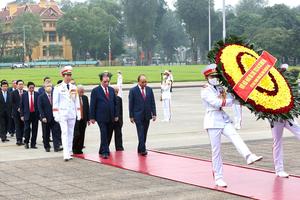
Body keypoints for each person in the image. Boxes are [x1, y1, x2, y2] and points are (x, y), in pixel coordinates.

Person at [201, 64, 263, 187]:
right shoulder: (205, 90)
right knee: (216, 151)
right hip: (212, 120)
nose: (215, 78)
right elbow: (217, 103)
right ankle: (218, 177)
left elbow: (230, 98)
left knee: (235, 135)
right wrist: (231, 101)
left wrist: (238, 95)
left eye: (217, 76)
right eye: (212, 76)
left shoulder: (220, 88)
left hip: (223, 119)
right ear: (207, 77)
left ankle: (248, 155)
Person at [269, 64, 300, 178]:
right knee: (277, 142)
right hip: (276, 118)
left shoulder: (286, 84)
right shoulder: (269, 85)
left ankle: (279, 169)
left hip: (288, 116)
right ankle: (279, 169)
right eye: (282, 71)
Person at [53, 66, 81, 161]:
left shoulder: (74, 87)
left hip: (71, 113)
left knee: (71, 133)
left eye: (70, 75)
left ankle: (69, 151)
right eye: (67, 75)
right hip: (63, 113)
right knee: (64, 133)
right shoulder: (58, 88)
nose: (68, 77)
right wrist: (56, 114)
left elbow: (76, 101)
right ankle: (65, 153)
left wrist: (79, 113)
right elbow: (55, 103)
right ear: (63, 76)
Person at [90, 72, 118, 159]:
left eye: (108, 82)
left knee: (109, 134)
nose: (106, 83)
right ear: (101, 81)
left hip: (111, 116)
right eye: (105, 82)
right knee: (104, 133)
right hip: (101, 117)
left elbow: (115, 103)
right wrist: (92, 117)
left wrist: (116, 115)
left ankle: (102, 149)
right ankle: (105, 152)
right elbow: (92, 104)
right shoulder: (95, 91)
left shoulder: (111, 90)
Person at [129, 74, 156, 156]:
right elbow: (131, 104)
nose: (145, 84)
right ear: (139, 82)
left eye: (146, 82)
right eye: (143, 82)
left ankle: (140, 148)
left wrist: (154, 113)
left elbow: (152, 102)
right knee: (140, 133)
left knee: (144, 133)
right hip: (138, 116)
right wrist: (131, 116)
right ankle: (143, 150)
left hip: (147, 115)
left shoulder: (149, 90)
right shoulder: (133, 91)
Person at [38, 82, 62, 152]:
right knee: (46, 133)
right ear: (44, 88)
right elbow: (40, 108)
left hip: (55, 117)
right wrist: (43, 117)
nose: (49, 87)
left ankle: (56, 147)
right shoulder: (41, 97)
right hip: (46, 118)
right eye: (47, 86)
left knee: (56, 132)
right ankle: (47, 146)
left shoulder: (55, 95)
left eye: (50, 86)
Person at [20, 82, 39, 149]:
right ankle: (26, 142)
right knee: (27, 129)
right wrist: (22, 115)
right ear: (28, 88)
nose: (32, 89)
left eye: (33, 88)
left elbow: (39, 105)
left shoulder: (37, 94)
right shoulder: (24, 95)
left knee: (35, 129)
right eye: (30, 88)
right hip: (27, 114)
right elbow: (21, 106)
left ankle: (33, 144)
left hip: (35, 114)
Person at [73, 85, 90, 154]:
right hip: (76, 119)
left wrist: (88, 119)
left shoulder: (85, 98)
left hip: (84, 119)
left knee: (82, 134)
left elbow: (87, 109)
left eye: (83, 92)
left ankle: (79, 148)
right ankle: (74, 147)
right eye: (80, 92)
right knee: (77, 134)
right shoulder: (74, 98)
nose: (82, 93)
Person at [108, 87, 124, 151]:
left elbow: (121, 110)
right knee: (108, 135)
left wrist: (121, 121)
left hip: (118, 121)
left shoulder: (119, 99)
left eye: (117, 92)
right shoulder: (109, 99)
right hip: (111, 120)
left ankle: (119, 147)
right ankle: (106, 147)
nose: (116, 93)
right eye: (115, 92)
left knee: (118, 135)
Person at [11, 80, 26, 145]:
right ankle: (18, 140)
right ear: (16, 85)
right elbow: (12, 103)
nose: (21, 85)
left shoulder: (25, 92)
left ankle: (22, 138)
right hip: (16, 113)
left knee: (23, 126)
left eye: (22, 84)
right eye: (19, 84)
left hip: (24, 113)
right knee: (17, 126)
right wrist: (18, 108)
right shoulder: (13, 93)